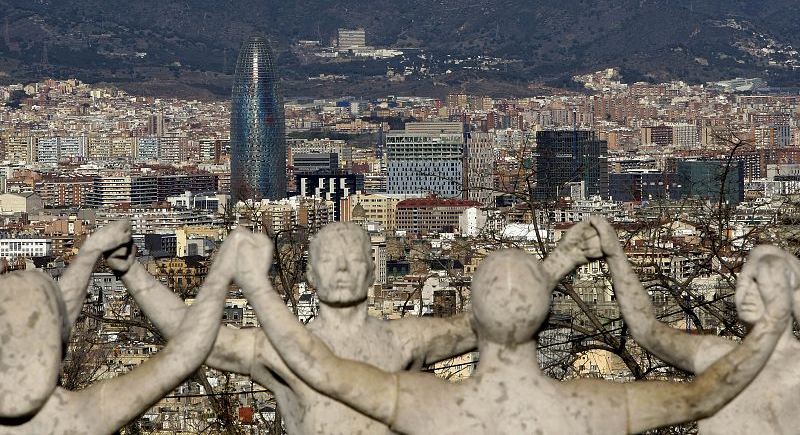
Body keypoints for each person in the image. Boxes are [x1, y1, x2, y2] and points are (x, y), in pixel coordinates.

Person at [234, 228, 791, 435]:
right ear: (543, 313)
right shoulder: (591, 409)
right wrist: (772, 324)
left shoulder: (428, 405)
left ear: (472, 314)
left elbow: (317, 366)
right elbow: (702, 395)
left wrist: (258, 287)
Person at [105, 220, 603, 435]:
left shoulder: (403, 339)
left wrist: (561, 261)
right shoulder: (278, 350)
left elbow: (488, 322)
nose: (342, 268)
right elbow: (193, 336)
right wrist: (131, 271)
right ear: (311, 274)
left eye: (353, 257)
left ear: (371, 269)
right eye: (329, 259)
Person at [0, 221, 238, 435]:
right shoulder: (74, 417)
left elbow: (57, 317)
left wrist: (91, 253)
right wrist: (127, 270)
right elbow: (187, 351)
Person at [591, 218, 800, 435]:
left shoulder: (795, 367)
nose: (747, 292)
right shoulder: (716, 355)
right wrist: (615, 256)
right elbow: (646, 330)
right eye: (744, 282)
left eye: (761, 283)